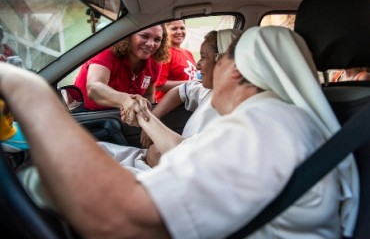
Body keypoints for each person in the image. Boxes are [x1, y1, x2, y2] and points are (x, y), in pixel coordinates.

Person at [0, 26, 359, 238]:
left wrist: (26, 88)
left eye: (213, 61)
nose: (203, 72)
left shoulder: (267, 126)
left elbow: (119, 219)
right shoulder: (274, 121)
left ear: (233, 69)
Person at [99, 29, 242, 172]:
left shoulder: (238, 118)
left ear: (225, 63)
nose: (197, 65)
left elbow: (185, 157)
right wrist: (153, 115)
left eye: (203, 57)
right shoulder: (209, 90)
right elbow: (181, 90)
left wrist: (143, 116)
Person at [74, 25, 170, 114]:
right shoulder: (107, 51)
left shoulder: (154, 62)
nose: (151, 44)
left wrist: (148, 116)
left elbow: (149, 94)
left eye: (157, 39)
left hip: (121, 115)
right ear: (128, 35)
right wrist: (125, 100)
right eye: (144, 36)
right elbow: (94, 88)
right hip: (86, 114)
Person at [154, 20, 197, 102]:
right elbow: (159, 84)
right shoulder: (164, 53)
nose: (179, 32)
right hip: (171, 108)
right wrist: (190, 83)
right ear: (165, 31)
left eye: (182, 28)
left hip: (187, 104)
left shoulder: (188, 53)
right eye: (174, 29)